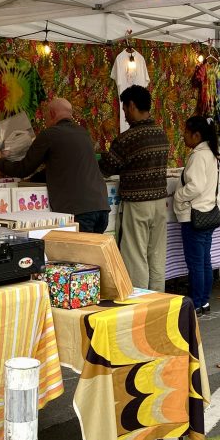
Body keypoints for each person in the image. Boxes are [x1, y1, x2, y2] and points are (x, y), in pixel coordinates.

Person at [0, 97, 109, 233]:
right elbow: (61, 169)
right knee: (93, 253)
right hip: (102, 207)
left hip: (79, 211)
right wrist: (33, 180)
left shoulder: (50, 135)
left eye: (45, 116)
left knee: (76, 254)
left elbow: (22, 169)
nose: (45, 121)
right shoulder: (83, 133)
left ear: (52, 114)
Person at [99, 85, 169, 291]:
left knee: (135, 255)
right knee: (156, 256)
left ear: (131, 105)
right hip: (159, 203)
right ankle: (158, 300)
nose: (124, 114)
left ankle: (140, 304)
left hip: (137, 205)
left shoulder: (127, 139)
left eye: (124, 109)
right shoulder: (161, 134)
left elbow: (106, 168)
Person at [173, 116, 220, 314]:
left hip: (195, 217)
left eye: (185, 132)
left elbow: (196, 186)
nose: (183, 136)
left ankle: (197, 302)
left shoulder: (199, 155)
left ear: (197, 135)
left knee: (196, 263)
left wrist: (179, 195)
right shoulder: (211, 153)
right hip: (207, 214)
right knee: (204, 261)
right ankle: (204, 300)